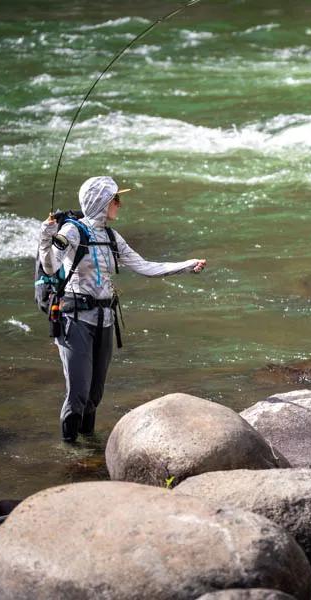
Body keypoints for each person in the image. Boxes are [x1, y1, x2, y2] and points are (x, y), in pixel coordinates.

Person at [39, 176, 206, 443]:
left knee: (94, 395)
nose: (120, 203)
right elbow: (49, 267)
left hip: (105, 319)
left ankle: (89, 445)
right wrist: (45, 239)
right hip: (75, 319)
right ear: (102, 201)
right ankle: (70, 451)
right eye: (116, 198)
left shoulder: (112, 237)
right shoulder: (72, 231)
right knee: (78, 394)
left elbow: (145, 267)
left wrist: (186, 265)